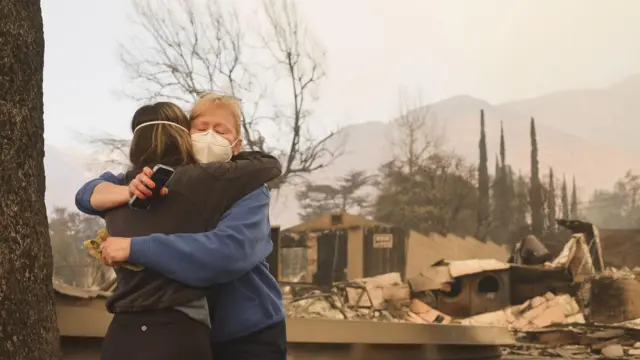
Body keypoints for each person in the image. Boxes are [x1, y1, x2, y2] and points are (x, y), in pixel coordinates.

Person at [75, 93, 287, 360]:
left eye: (221, 131)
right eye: (201, 128)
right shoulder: (167, 180)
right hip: (191, 328)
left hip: (246, 331)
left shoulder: (247, 187)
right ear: (184, 136)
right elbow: (87, 194)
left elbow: (228, 252)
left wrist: (135, 247)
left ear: (236, 144)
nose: (210, 136)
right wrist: (128, 190)